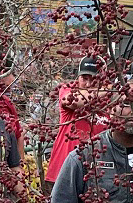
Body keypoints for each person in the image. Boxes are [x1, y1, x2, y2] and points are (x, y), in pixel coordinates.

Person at [44, 55, 103, 192]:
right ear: (78, 77)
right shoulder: (68, 89)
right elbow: (73, 101)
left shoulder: (109, 103)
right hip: (63, 173)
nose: (88, 84)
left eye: (93, 79)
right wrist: (107, 90)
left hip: (96, 176)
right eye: (84, 78)